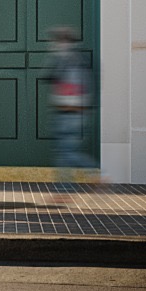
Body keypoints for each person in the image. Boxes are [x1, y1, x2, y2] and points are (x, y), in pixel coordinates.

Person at [46, 25, 97, 190]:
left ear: (65, 42)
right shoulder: (68, 61)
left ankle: (96, 174)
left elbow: (73, 89)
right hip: (66, 112)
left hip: (71, 113)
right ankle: (63, 189)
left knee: (67, 152)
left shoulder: (72, 62)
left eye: (57, 41)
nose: (54, 44)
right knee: (62, 152)